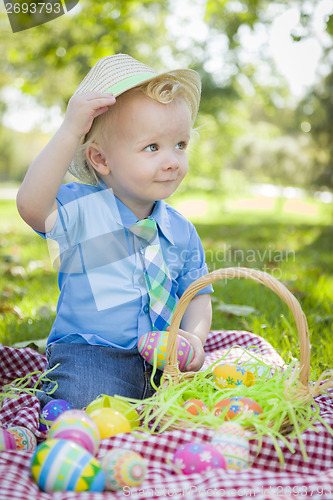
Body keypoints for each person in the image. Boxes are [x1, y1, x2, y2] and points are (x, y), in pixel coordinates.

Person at [16, 54, 213, 409]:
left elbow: (196, 293)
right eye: (152, 147)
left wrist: (195, 340)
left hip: (163, 362)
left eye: (180, 145)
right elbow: (31, 205)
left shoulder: (180, 230)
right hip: (93, 353)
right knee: (83, 400)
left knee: (197, 407)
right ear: (101, 160)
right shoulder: (83, 211)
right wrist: (70, 130)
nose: (172, 160)